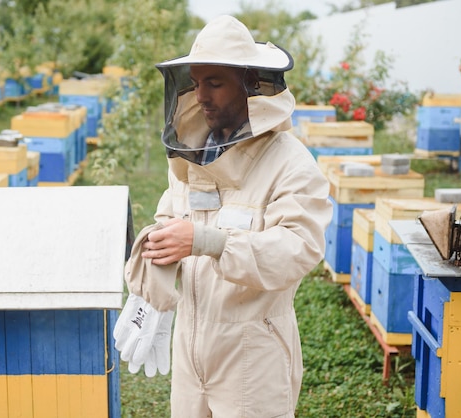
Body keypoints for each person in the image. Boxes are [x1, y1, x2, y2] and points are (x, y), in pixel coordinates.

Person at [116, 14, 333, 418]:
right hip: (191, 348)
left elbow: (299, 250)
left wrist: (206, 241)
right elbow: (170, 215)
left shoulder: (291, 164)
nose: (201, 95)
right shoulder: (192, 155)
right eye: (197, 83)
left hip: (254, 353)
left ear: (250, 85)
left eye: (214, 82)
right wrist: (153, 292)